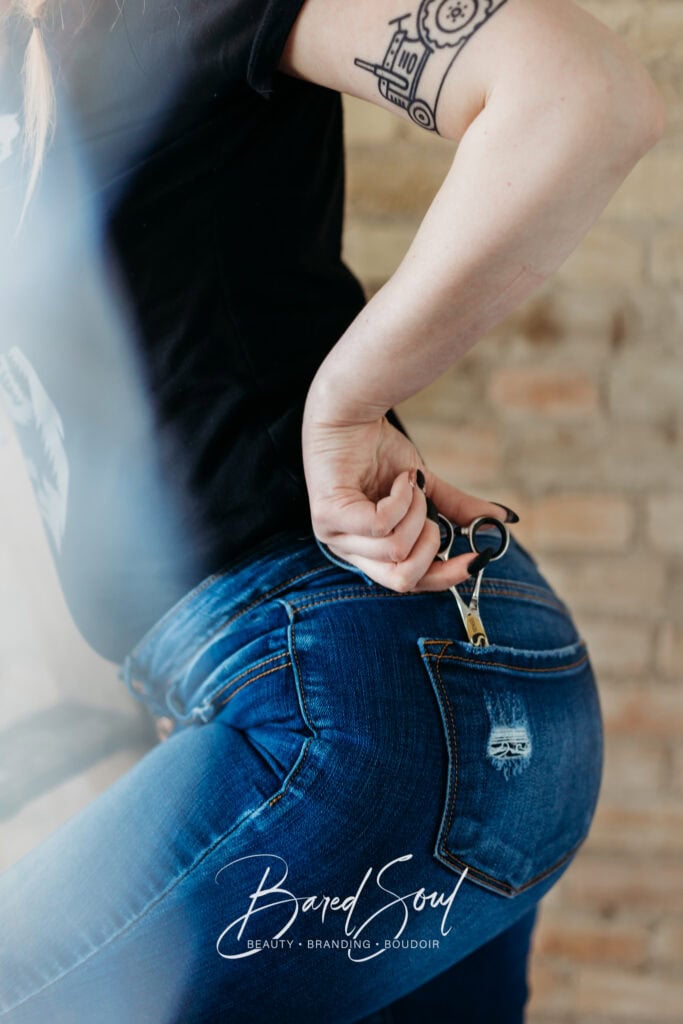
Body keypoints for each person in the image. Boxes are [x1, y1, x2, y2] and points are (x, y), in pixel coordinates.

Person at [0, 0, 664, 1020]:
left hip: (341, 701)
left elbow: (582, 94)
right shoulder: (27, 68)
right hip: (395, 693)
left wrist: (346, 400)